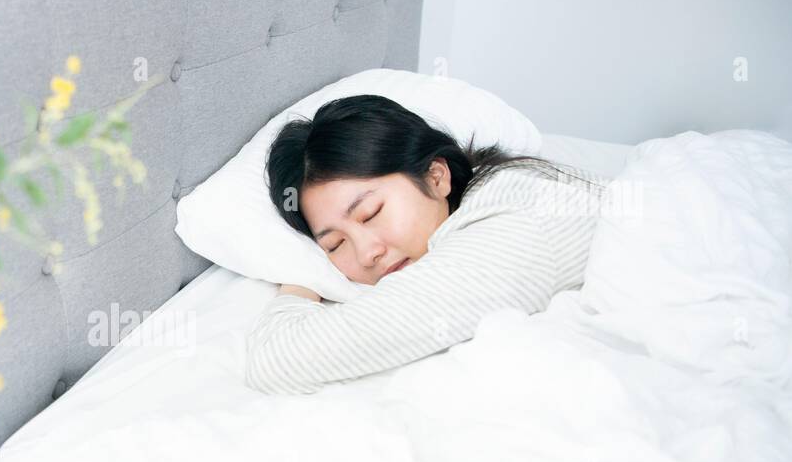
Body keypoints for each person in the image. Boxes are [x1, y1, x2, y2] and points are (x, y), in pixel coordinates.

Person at [245, 94, 608, 394]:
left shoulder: (507, 234)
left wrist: (295, 288)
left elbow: (279, 360)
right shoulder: (492, 189)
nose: (367, 253)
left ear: (436, 177)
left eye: (371, 213)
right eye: (335, 245)